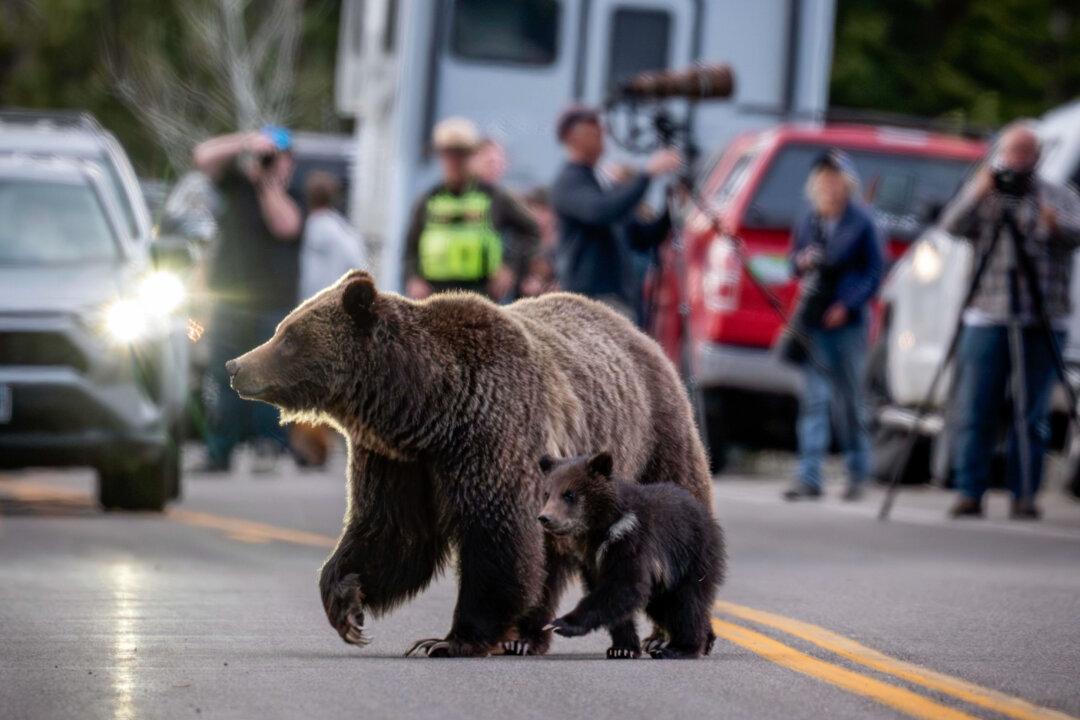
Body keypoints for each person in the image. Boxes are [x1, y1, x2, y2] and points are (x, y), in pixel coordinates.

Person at [940, 122, 1080, 520]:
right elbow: (950, 226)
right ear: (1000, 153)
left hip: (1042, 315)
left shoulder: (1057, 195)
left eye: (1025, 152)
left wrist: (1055, 225)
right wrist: (978, 191)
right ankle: (969, 490)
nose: (1018, 160)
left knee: (1030, 411)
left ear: (1037, 156)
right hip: (987, 312)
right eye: (1012, 151)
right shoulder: (986, 192)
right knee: (976, 405)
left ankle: (1024, 495)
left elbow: (1077, 232)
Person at [192, 126, 303, 473]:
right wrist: (245, 142)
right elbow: (202, 156)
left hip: (273, 303)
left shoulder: (294, 194)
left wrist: (268, 185)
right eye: (269, 156)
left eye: (278, 157)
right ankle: (220, 449)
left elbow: (285, 226)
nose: (272, 162)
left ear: (290, 163)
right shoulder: (237, 185)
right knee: (224, 376)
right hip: (231, 299)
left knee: (270, 378)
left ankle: (268, 446)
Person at [783, 150, 884, 502]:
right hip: (813, 320)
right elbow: (791, 263)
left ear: (847, 184)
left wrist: (848, 304)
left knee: (850, 400)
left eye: (834, 178)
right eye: (823, 179)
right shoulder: (810, 221)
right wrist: (801, 260)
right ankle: (809, 475)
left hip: (847, 323)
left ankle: (858, 471)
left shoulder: (862, 222)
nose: (829, 185)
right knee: (813, 399)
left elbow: (874, 272)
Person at [550, 105, 681, 319]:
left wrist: (671, 208)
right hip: (590, 300)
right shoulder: (569, 182)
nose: (602, 132)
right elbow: (600, 212)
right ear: (572, 135)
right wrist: (646, 175)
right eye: (592, 126)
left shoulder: (598, 182)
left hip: (617, 298)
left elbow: (641, 236)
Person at [402, 118, 539, 302]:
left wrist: (510, 267)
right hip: (432, 297)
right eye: (448, 154)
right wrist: (413, 278)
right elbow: (410, 248)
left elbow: (530, 230)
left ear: (472, 156)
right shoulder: (428, 200)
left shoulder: (493, 197)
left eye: (461, 154)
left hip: (481, 296)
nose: (454, 161)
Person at [292, 170, 366, 468]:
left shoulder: (304, 229)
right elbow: (359, 267)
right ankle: (343, 444)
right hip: (337, 315)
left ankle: (311, 446)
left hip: (305, 313)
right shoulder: (343, 232)